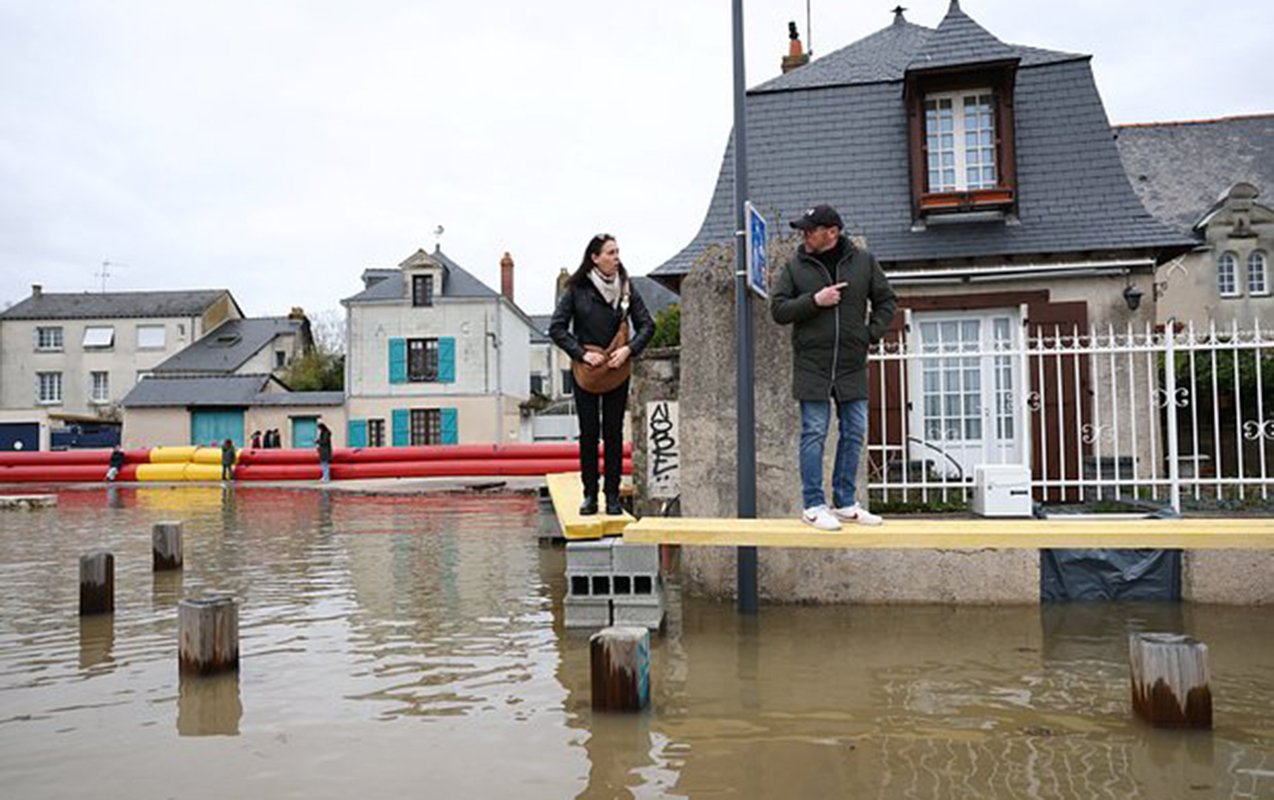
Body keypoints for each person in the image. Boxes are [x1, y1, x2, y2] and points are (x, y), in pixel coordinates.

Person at [770, 204, 896, 530]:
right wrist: (816, 300)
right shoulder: (796, 267)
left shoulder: (864, 262)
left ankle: (845, 502)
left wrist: (869, 335)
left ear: (832, 232)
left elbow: (886, 300)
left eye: (810, 230)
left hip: (851, 363)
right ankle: (813, 505)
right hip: (812, 364)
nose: (804, 235)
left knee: (854, 430)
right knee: (814, 432)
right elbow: (779, 310)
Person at [550, 233, 655, 515]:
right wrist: (582, 353)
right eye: (610, 252)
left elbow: (647, 325)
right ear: (595, 258)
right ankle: (589, 495)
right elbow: (556, 328)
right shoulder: (576, 289)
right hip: (586, 372)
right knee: (589, 434)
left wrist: (629, 350)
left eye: (617, 251)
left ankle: (612, 496)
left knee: (613, 434)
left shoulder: (627, 289)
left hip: (617, 371)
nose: (616, 256)